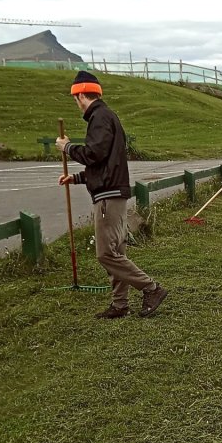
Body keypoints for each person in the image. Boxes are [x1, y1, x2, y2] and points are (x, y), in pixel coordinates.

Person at [55, 70, 168, 319]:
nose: (76, 104)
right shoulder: (105, 117)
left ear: (81, 95)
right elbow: (103, 164)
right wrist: (75, 178)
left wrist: (68, 147)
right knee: (117, 252)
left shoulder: (100, 117)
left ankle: (151, 288)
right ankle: (120, 304)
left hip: (108, 196)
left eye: (76, 99)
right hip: (112, 191)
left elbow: (93, 154)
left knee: (106, 254)